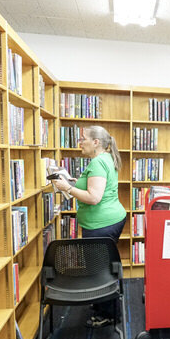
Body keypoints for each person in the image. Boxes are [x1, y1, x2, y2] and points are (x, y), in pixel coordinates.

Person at [52, 125, 127, 326]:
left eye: (83, 138)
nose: (80, 142)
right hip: (107, 220)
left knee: (99, 270)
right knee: (103, 265)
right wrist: (75, 182)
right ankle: (105, 305)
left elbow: (94, 197)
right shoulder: (104, 159)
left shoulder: (97, 163)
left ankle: (109, 315)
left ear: (96, 142)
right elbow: (93, 186)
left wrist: (67, 187)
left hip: (102, 224)